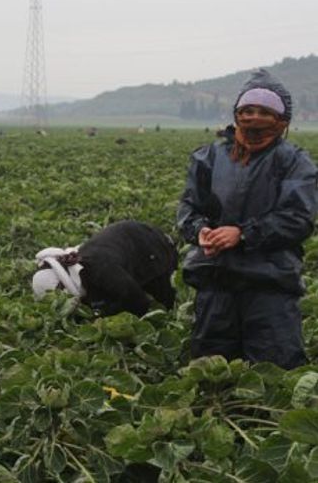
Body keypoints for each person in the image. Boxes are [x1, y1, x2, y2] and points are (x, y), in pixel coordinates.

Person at [177, 69, 318, 370]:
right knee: (212, 376)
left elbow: (298, 218)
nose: (254, 118)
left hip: (270, 286)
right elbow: (189, 208)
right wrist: (200, 231)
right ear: (237, 114)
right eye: (248, 110)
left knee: (275, 377)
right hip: (216, 282)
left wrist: (242, 234)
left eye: (265, 112)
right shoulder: (210, 158)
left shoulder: (293, 161)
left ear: (282, 120)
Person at [31, 220, 177, 316]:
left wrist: (102, 316)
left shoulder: (100, 269)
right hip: (127, 245)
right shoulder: (85, 273)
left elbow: (138, 302)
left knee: (166, 305)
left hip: (152, 247)